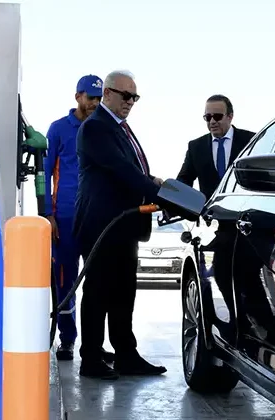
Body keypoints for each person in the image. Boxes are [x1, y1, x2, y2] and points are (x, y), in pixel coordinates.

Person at [72, 69, 168, 380]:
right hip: (102, 226)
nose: (130, 102)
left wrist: (155, 183)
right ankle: (90, 359)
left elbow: (134, 170)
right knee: (98, 292)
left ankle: (126, 355)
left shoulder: (119, 128)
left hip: (124, 226)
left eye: (134, 97)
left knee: (124, 293)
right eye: (125, 95)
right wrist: (161, 194)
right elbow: (122, 170)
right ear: (108, 93)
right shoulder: (96, 128)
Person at [43, 74, 102, 362]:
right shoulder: (58, 129)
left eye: (99, 99)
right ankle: (67, 339)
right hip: (64, 219)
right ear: (78, 96)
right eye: (91, 98)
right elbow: (44, 172)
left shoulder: (103, 129)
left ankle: (95, 344)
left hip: (96, 218)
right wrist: (48, 214)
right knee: (65, 282)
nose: (95, 104)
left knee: (98, 282)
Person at [176, 94, 255, 197]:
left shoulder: (251, 141)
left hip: (244, 205)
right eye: (208, 117)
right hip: (211, 207)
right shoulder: (196, 147)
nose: (212, 121)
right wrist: (167, 190)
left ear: (230, 116)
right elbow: (184, 180)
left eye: (217, 116)